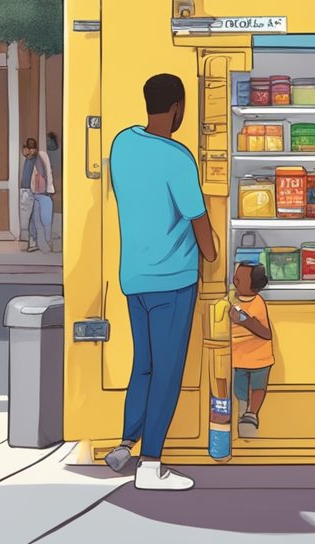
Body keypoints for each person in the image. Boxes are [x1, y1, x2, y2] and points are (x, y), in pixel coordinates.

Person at [103, 73, 218, 491]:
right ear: (177, 108)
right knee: (167, 371)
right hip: (173, 280)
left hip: (134, 276)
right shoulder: (177, 157)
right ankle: (151, 465)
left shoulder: (122, 144)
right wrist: (211, 253)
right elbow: (199, 220)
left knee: (145, 365)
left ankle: (124, 443)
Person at [231, 262, 274, 438]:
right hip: (239, 356)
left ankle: (252, 414)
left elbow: (265, 333)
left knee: (258, 387)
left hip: (259, 358)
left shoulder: (258, 303)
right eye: (235, 277)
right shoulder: (232, 298)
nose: (234, 280)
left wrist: (243, 320)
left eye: (239, 279)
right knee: (239, 387)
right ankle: (242, 412)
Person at [18, 138, 54, 252]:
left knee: (45, 217)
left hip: (40, 192)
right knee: (31, 218)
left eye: (29, 149)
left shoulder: (40, 156)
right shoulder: (28, 160)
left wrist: (49, 188)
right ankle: (33, 242)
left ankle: (48, 242)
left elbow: (47, 171)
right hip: (29, 192)